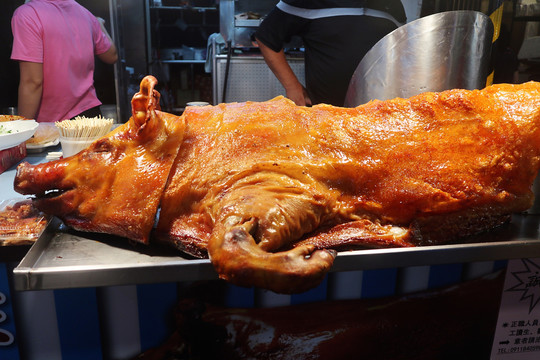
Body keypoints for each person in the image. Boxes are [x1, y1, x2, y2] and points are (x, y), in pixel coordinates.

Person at [254, 0, 406, 107]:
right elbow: (266, 38)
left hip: (378, 110)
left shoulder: (391, 4)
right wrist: (292, 86)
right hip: (326, 110)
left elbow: (403, 46)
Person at [11, 0, 118, 123]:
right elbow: (112, 55)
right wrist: (99, 24)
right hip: (90, 118)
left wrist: (21, 131)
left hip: (54, 126)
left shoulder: (27, 14)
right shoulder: (85, 14)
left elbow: (33, 82)